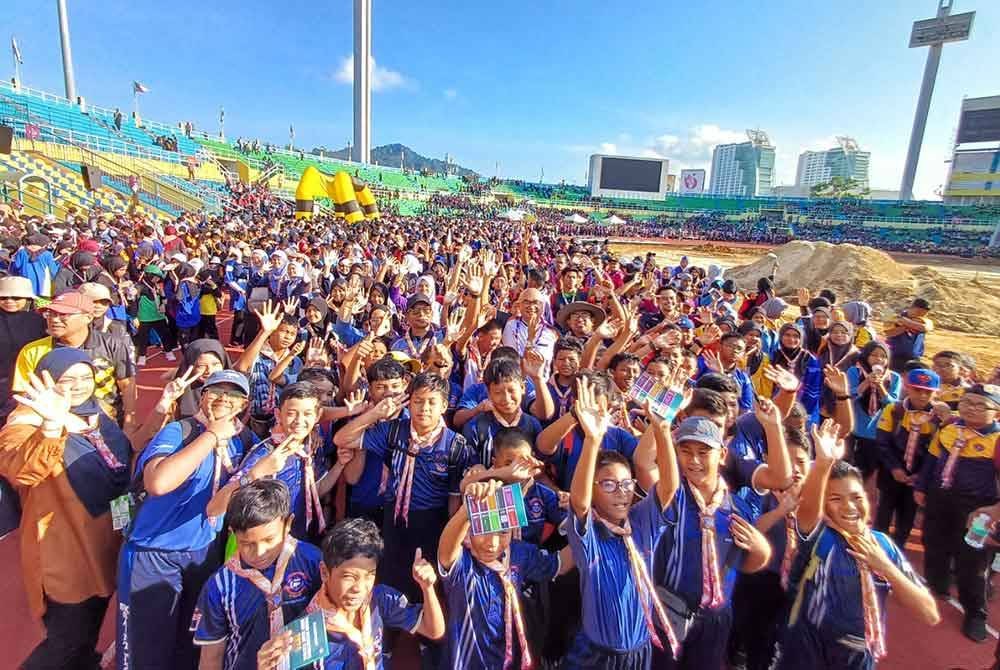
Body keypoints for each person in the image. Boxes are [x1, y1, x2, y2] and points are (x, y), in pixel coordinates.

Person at [116, 370, 257, 670]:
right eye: (215, 392)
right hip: (154, 554)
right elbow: (158, 483)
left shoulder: (242, 440)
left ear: (244, 405)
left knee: (189, 644)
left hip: (202, 554)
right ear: (202, 396)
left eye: (232, 395)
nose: (223, 399)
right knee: (147, 648)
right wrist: (210, 435)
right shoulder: (178, 432)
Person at [0, 349, 132, 669]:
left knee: (90, 626)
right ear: (47, 381)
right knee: (66, 638)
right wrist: (49, 425)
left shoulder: (96, 412)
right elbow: (21, 470)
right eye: (67, 378)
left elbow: (119, 467)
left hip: (105, 540)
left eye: (85, 377)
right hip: (65, 550)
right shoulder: (27, 419)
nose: (79, 385)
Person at [773, 422, 939, 669]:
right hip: (806, 650)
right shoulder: (817, 535)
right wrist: (823, 463)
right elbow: (808, 509)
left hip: (859, 656)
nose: (850, 507)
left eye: (857, 497)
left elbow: (929, 614)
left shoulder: (882, 545)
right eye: (836, 499)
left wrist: (885, 567)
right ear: (823, 505)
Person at [337, 372, 473, 602]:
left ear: (444, 406)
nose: (424, 409)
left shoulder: (455, 446)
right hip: (393, 518)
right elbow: (342, 439)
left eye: (432, 402)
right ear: (409, 402)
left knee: (421, 589)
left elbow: (453, 500)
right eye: (418, 401)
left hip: (430, 522)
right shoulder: (393, 430)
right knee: (390, 584)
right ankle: (387, 632)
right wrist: (374, 414)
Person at [650, 415, 771, 670]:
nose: (694, 460)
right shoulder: (671, 498)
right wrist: (661, 428)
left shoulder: (737, 507)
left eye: (704, 452)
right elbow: (643, 464)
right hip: (667, 610)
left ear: (723, 454)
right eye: (686, 451)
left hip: (715, 618)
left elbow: (743, 563)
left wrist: (761, 552)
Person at [255, 518, 445, 670]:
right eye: (349, 576)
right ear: (324, 572)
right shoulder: (305, 633)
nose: (359, 588)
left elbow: (433, 630)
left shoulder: (380, 599)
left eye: (369, 575)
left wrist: (427, 588)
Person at [438, 476, 574, 669]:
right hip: (465, 662)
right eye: (484, 530)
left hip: (507, 660)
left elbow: (560, 564)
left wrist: (584, 525)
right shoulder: (463, 563)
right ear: (469, 530)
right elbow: (445, 552)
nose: (492, 543)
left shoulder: (518, 553)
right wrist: (465, 512)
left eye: (502, 532)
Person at [193, 479, 323, 670]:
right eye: (247, 544)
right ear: (232, 533)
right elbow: (211, 658)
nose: (260, 552)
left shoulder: (313, 562)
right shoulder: (220, 586)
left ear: (288, 524)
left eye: (269, 539)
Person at [915, 383, 1000, 642]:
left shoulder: (997, 440)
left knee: (973, 561)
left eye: (980, 405)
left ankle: (975, 613)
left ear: (996, 412)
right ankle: (937, 584)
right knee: (934, 543)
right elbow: (931, 460)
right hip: (941, 499)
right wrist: (921, 487)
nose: (971, 409)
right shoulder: (949, 428)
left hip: (978, 509)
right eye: (966, 402)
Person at [13, 290, 137, 430]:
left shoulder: (113, 344)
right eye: (50, 314)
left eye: (64, 315)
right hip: (57, 426)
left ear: (88, 317)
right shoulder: (32, 351)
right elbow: (24, 395)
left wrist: (130, 422)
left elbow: (126, 385)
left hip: (108, 423)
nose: (54, 319)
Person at [874, 368, 944, 549]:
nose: (922, 395)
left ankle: (897, 552)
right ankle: (877, 548)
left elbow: (936, 454)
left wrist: (921, 476)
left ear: (936, 393)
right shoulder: (894, 410)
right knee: (884, 513)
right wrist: (894, 468)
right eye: (917, 390)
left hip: (918, 477)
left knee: (907, 517)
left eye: (928, 392)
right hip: (891, 472)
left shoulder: (939, 419)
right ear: (907, 388)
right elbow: (882, 442)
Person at [462, 357, 543, 466]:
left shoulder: (532, 425)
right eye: (498, 392)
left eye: (511, 390)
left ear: (523, 388)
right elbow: (468, 470)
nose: (506, 398)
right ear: (489, 394)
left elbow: (541, 466)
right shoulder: (475, 428)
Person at [0, 276, 46, 425]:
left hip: (27, 384)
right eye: (4, 297)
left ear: (27, 299)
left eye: (16, 297)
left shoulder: (39, 321)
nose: (9, 301)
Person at [884, 298, 933, 373]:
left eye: (925, 313)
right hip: (895, 356)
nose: (921, 315)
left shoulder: (925, 320)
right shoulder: (895, 316)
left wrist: (905, 322)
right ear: (912, 308)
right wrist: (911, 325)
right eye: (919, 311)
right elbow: (888, 333)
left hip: (914, 358)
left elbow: (925, 328)